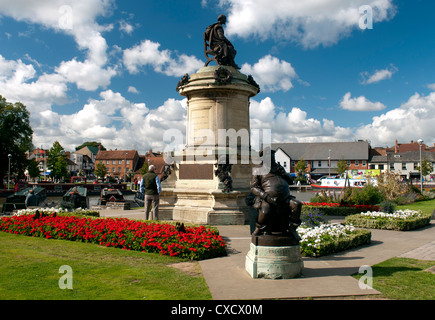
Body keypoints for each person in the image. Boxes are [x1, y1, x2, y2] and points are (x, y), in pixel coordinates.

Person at [251, 149, 302, 241]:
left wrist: (284, 173)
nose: (272, 160)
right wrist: (266, 197)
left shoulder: (279, 169)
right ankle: (259, 228)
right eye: (270, 158)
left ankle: (292, 228)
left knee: (297, 204)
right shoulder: (258, 170)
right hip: (268, 198)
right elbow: (254, 187)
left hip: (285, 198)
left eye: (273, 158)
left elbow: (291, 181)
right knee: (265, 212)